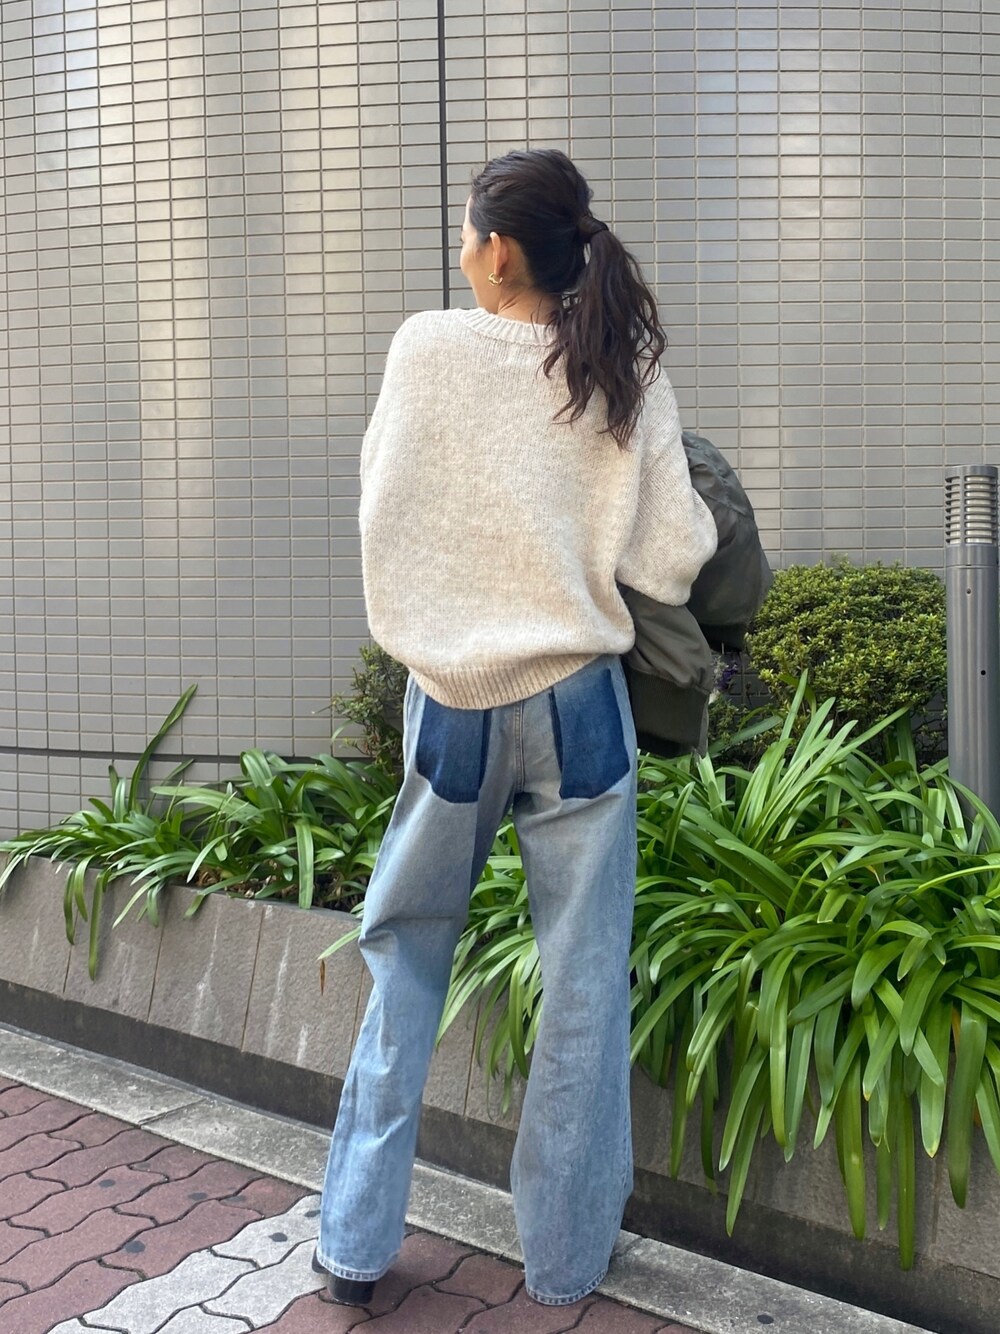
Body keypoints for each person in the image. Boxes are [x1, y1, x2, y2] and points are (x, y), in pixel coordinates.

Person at [314, 147, 718, 1309]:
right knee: (583, 977)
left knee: (406, 956)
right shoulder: (622, 364)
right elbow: (670, 557)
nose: (458, 251)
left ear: (497, 251)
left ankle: (352, 1246)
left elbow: (381, 514)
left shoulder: (427, 348)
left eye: (465, 233)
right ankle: (565, 1259)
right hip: (579, 701)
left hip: (452, 702)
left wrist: (445, 612)